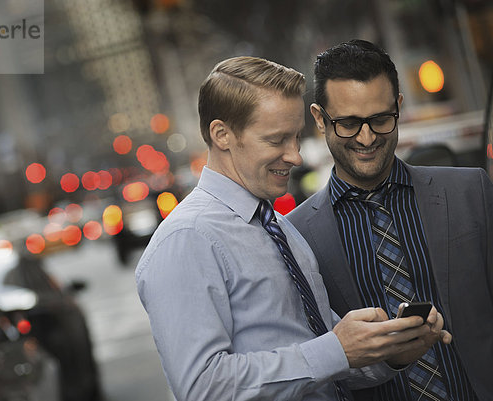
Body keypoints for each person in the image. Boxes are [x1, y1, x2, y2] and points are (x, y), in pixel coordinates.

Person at [136, 55, 450, 401]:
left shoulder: (279, 229)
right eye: (276, 140)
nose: (295, 156)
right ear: (221, 134)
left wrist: (390, 352)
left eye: (295, 138)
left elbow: (325, 363)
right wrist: (336, 350)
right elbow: (204, 388)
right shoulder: (187, 239)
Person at [287, 39, 493, 401]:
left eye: (381, 119)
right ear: (319, 119)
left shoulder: (470, 191)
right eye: (348, 123)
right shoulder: (297, 234)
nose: (367, 138)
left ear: (398, 107)